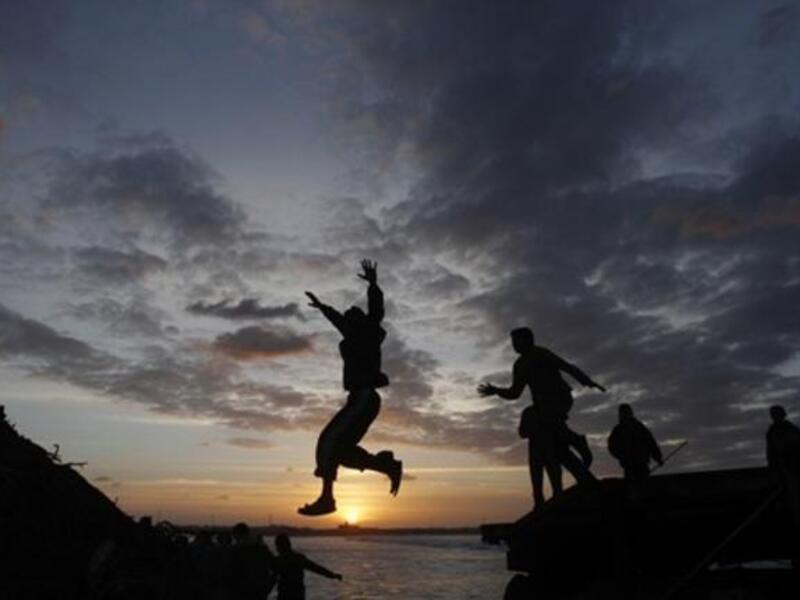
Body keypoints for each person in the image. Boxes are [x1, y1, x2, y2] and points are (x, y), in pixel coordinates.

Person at [299, 260, 402, 516]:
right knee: (341, 452)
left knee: (328, 441)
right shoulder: (353, 335)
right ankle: (384, 464)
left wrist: (374, 285)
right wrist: (323, 307)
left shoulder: (367, 332)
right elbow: (338, 321)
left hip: (365, 398)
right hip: (359, 399)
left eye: (352, 316)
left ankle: (327, 499)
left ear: (361, 321)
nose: (347, 319)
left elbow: (376, 311)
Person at [478, 327, 603, 508]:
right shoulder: (519, 365)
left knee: (547, 425)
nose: (514, 345)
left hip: (560, 399)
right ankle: (571, 455)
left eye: (517, 341)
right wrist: (496, 391)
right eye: (512, 342)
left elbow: (566, 366)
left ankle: (575, 440)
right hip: (542, 407)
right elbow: (515, 393)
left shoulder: (541, 354)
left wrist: (586, 380)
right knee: (548, 440)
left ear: (528, 340)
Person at [272, 533, 342, 600]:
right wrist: (332, 575)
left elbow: (272, 579)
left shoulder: (279, 561)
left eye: (277, 546)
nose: (277, 549)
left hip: (285, 594)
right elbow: (316, 568)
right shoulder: (299, 558)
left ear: (280, 546)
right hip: (298, 594)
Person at [607, 404, 663, 481]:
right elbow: (612, 447)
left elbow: (650, 443)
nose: (625, 414)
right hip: (630, 466)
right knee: (634, 487)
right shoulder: (618, 430)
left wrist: (658, 458)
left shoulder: (639, 428)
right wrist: (622, 456)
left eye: (627, 412)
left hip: (641, 464)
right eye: (624, 413)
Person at [766, 405, 800, 527]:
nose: (774, 417)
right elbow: (771, 453)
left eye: (776, 414)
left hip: (793, 469)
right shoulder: (772, 432)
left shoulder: (791, 429)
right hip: (783, 471)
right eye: (773, 415)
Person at [228, 522, 276, 599]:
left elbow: (231, 572)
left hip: (244, 591)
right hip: (260, 590)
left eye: (235, 535)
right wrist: (268, 587)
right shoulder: (262, 548)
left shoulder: (237, 550)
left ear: (237, 535)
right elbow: (274, 567)